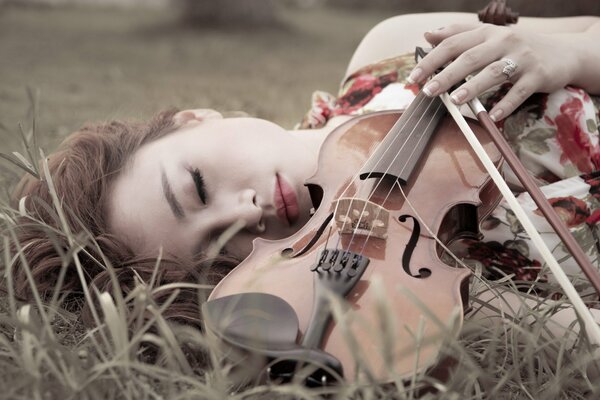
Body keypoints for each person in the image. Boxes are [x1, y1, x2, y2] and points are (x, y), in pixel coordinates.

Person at [7, 11, 600, 365]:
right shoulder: (406, 287)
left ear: (195, 119)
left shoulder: (391, 48)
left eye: (196, 186)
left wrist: (567, 50)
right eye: (221, 250)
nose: (245, 216)